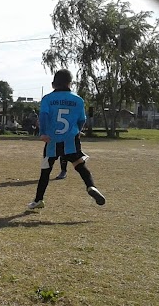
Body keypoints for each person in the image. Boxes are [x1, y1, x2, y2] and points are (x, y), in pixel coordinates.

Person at [28, 69, 105, 209]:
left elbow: (44, 116)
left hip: (52, 140)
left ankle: (39, 200)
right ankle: (91, 186)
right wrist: (78, 131)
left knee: (46, 170)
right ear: (70, 83)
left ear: (53, 84)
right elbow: (82, 120)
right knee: (80, 165)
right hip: (71, 140)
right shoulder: (78, 100)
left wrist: (43, 133)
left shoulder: (47, 99)